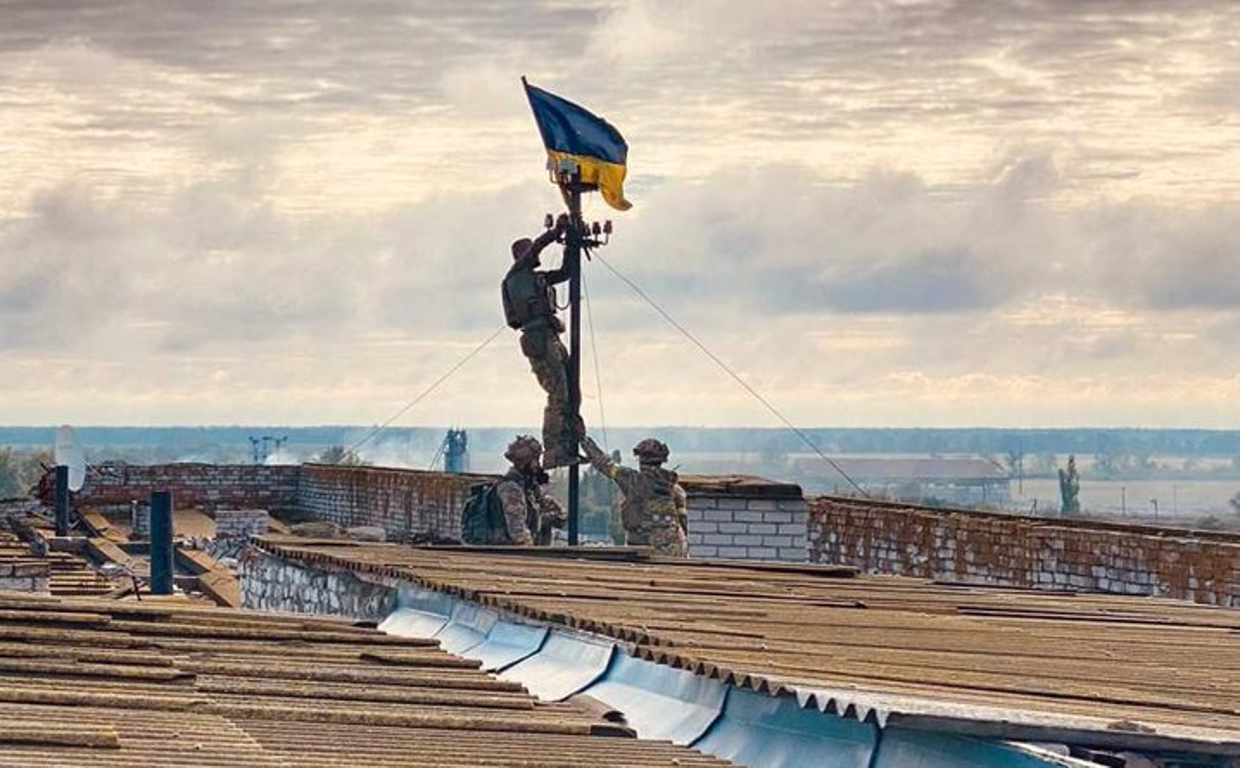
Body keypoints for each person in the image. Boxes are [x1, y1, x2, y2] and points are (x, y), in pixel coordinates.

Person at [502, 215, 582, 468]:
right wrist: (556, 232)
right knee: (557, 394)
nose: (533, 255)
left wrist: (571, 242)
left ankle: (570, 444)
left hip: (550, 336)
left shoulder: (535, 278)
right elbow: (536, 249)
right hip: (538, 339)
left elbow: (566, 273)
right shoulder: (516, 275)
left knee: (570, 391)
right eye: (528, 251)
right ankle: (553, 451)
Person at [580, 435, 688, 557]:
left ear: (640, 460)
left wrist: (585, 443)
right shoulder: (672, 486)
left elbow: (605, 464)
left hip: (641, 547)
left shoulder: (632, 480)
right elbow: (683, 521)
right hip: (670, 549)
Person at [495, 435, 566, 545]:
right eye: (535, 460)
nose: (538, 465)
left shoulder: (529, 488)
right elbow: (518, 533)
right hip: (505, 552)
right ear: (524, 462)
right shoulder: (511, 489)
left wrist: (544, 519)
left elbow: (561, 515)